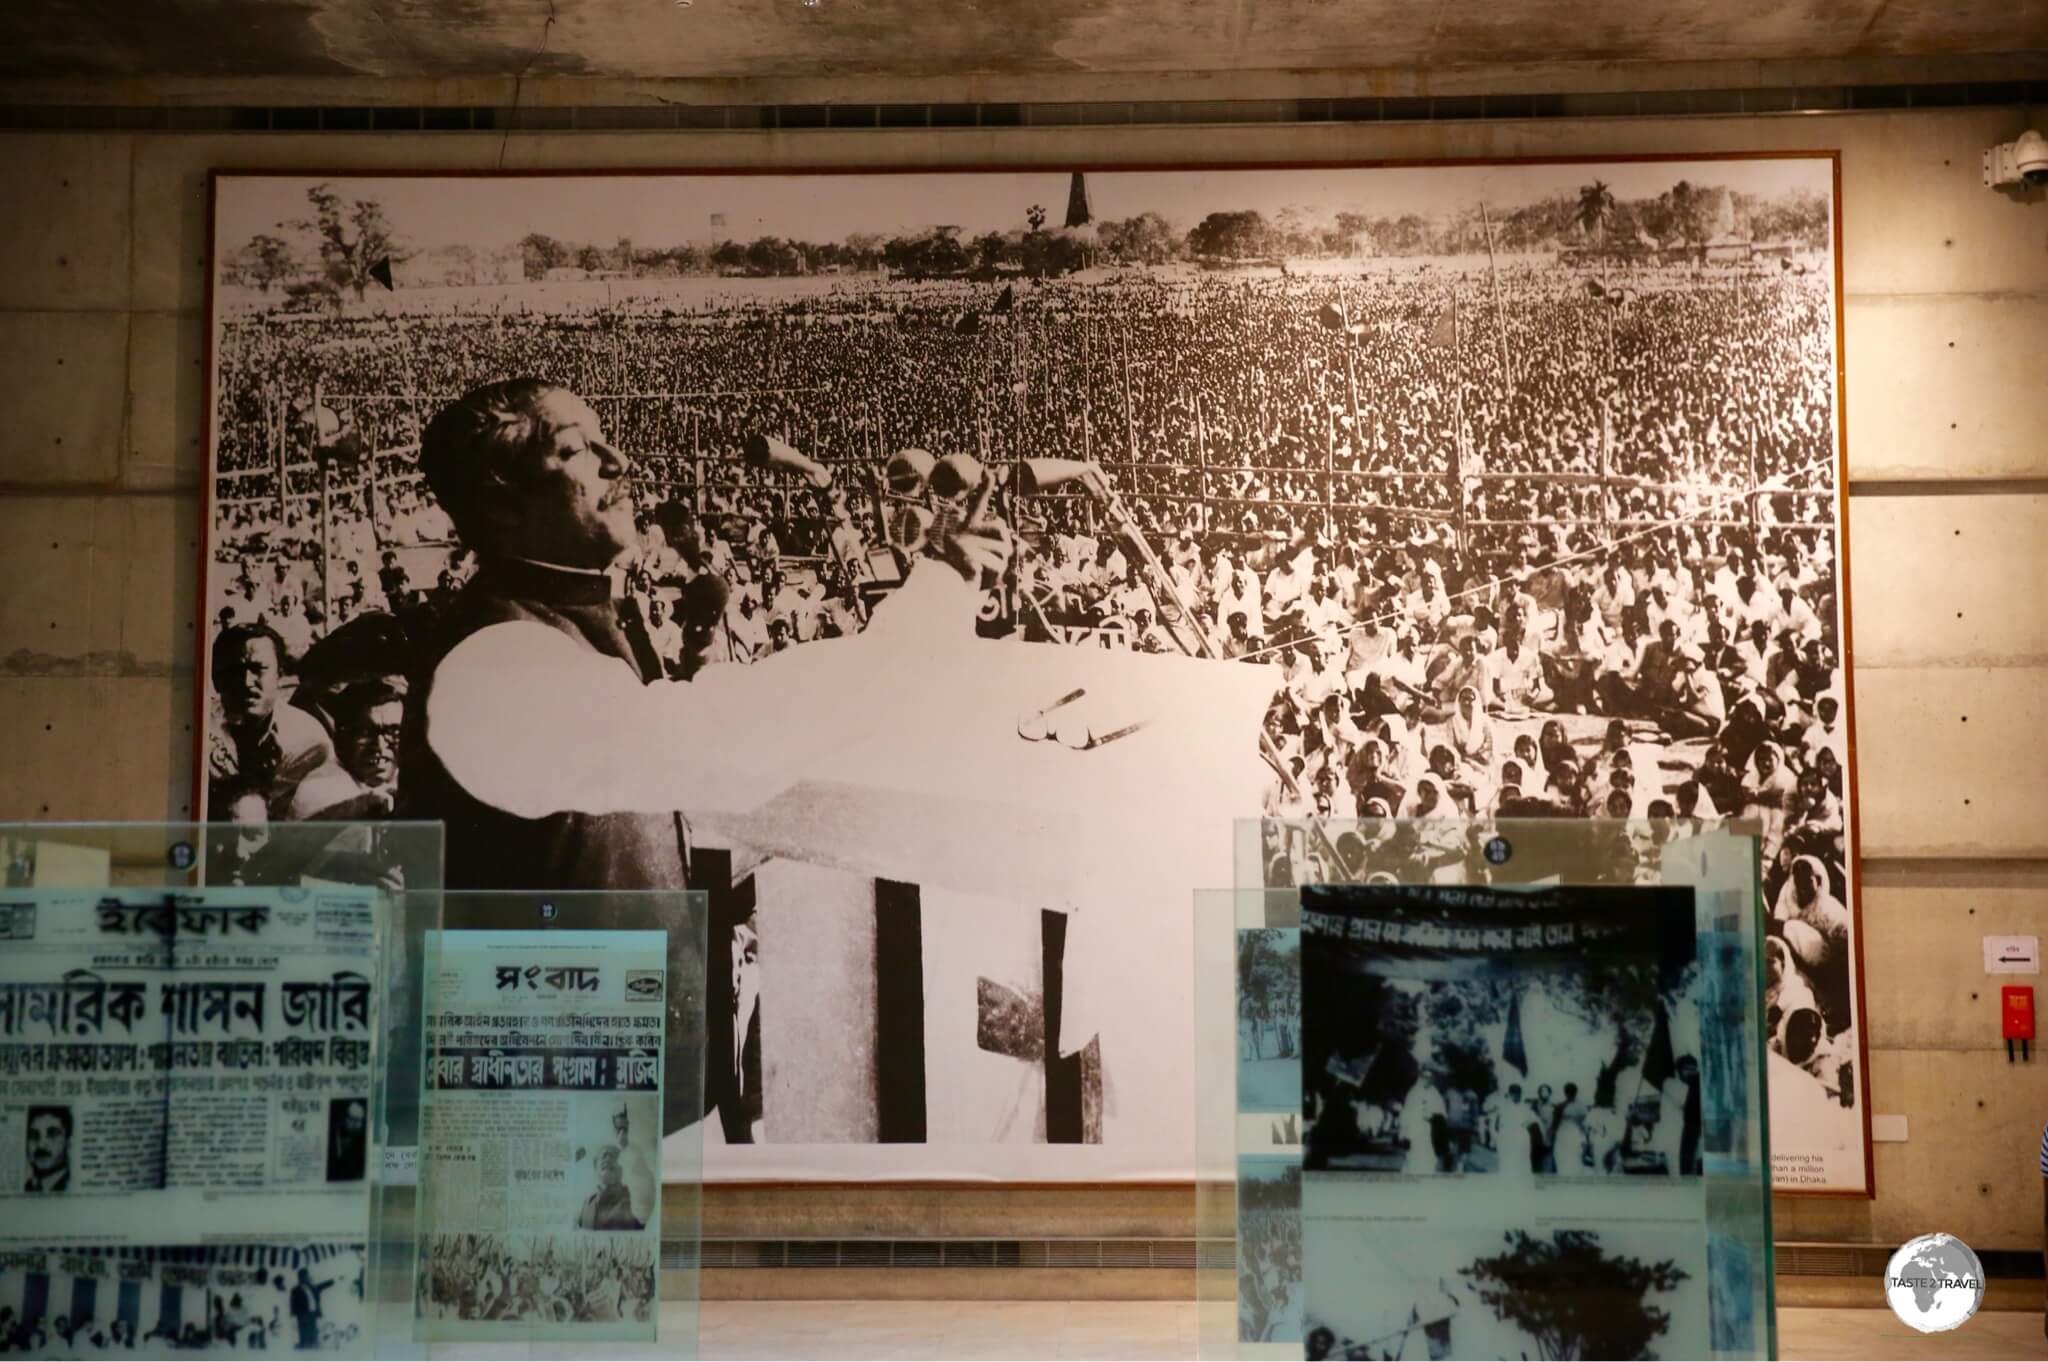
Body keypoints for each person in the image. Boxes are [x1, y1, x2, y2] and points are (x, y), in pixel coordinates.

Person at [398, 378, 1011, 893]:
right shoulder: (490, 667)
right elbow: (721, 734)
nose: (619, 462)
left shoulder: (570, 617)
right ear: (501, 504)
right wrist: (942, 587)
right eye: (574, 450)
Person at [208, 622, 334, 819]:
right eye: (234, 671)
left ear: (280, 675)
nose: (247, 682)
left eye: (258, 669)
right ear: (216, 679)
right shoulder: (197, 730)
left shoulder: (308, 741)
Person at [576, 1146, 643, 1230]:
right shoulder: (586, 1204)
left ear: (623, 1168)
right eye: (604, 1155)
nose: (608, 1159)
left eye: (614, 1156)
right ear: (595, 1166)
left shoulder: (635, 1200)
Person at [23, 1105, 70, 1192]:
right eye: (33, 1135)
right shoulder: (26, 1187)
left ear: (68, 1141)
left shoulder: (70, 1186)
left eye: (52, 1134)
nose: (41, 1145)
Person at [289, 1268, 334, 1349]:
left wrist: (332, 1281)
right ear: (301, 1277)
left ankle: (313, 1347)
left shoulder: (312, 1287)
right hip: (303, 1315)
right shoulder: (295, 1289)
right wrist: (293, 1316)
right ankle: (304, 1349)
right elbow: (293, 1303)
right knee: (304, 1333)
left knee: (313, 1332)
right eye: (306, 1276)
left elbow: (321, 1286)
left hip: (313, 1314)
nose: (308, 1277)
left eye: (308, 1276)